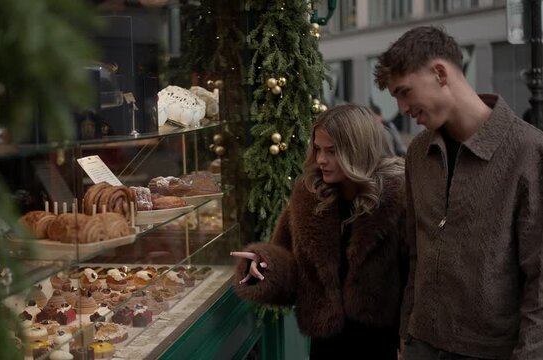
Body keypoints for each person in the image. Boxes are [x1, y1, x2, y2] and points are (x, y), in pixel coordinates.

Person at [374, 25, 543, 359]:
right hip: (420, 343)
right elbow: (417, 253)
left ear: (440, 73)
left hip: (490, 351)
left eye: (405, 92)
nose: (403, 107)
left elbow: (540, 282)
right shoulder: (418, 152)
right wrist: (406, 335)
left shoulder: (528, 150)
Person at [230, 104, 406, 359]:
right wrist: (264, 264)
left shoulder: (397, 199)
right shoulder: (308, 199)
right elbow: (291, 270)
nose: (321, 159)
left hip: (382, 343)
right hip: (327, 344)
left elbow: (417, 276)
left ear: (357, 150)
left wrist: (410, 339)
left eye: (332, 151)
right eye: (318, 149)